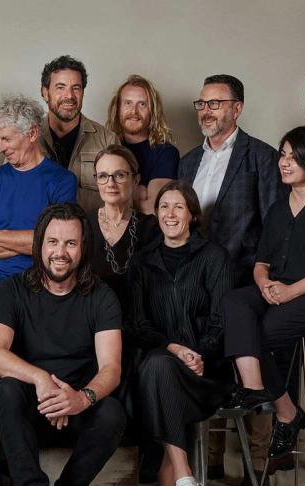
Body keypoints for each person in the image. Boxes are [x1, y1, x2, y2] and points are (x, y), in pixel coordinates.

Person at [0, 203, 126, 486]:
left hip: (77, 409)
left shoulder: (102, 297)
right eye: (52, 242)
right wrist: (41, 380)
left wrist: (82, 398)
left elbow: (111, 368)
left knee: (112, 411)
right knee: (6, 390)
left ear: (83, 248)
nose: (60, 253)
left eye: (70, 244)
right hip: (30, 411)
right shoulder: (12, 291)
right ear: (39, 245)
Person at [178, 74, 284, 486]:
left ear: (237, 108)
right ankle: (216, 460)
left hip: (245, 282)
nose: (206, 111)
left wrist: (265, 278)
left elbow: (275, 225)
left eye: (215, 104)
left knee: (250, 366)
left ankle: (256, 467)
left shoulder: (261, 156)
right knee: (211, 364)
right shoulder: (187, 162)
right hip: (198, 283)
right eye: (201, 104)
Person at [222, 126, 305, 462]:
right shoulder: (280, 207)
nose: (284, 162)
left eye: (294, 156)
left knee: (261, 332)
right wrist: (265, 283)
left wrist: (290, 291)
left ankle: (286, 413)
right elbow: (261, 262)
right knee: (234, 301)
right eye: (283, 154)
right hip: (278, 288)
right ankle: (256, 392)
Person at [130, 180, 235, 486]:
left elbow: (222, 319)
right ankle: (184, 477)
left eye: (178, 207)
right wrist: (176, 348)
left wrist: (199, 353)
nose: (170, 214)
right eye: (163, 207)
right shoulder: (143, 262)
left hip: (207, 373)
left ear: (191, 215)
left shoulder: (213, 257)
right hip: (163, 363)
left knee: (158, 374)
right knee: (159, 367)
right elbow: (138, 324)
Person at [0, 94, 76, 291]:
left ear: (33, 133)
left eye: (6, 139)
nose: (0, 148)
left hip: (47, 285)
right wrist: (35, 241)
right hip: (0, 287)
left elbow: (57, 246)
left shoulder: (62, 180)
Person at [38, 55, 119, 213]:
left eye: (76, 88)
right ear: (45, 92)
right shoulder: (26, 137)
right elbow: (7, 191)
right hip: (37, 235)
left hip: (92, 234)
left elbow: (122, 200)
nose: (69, 96)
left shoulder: (107, 141)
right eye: (60, 87)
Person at [86, 145, 156, 312]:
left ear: (136, 180)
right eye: (103, 176)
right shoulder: (82, 224)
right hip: (92, 318)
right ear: (96, 181)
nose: (111, 183)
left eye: (119, 175)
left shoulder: (152, 227)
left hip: (140, 320)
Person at [106, 74, 179, 213]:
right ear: (118, 109)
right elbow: (97, 200)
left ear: (153, 111)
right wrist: (136, 192)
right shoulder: (109, 149)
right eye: (128, 103)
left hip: (147, 234)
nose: (134, 111)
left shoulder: (166, 153)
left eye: (142, 104)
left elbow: (153, 208)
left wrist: (120, 193)